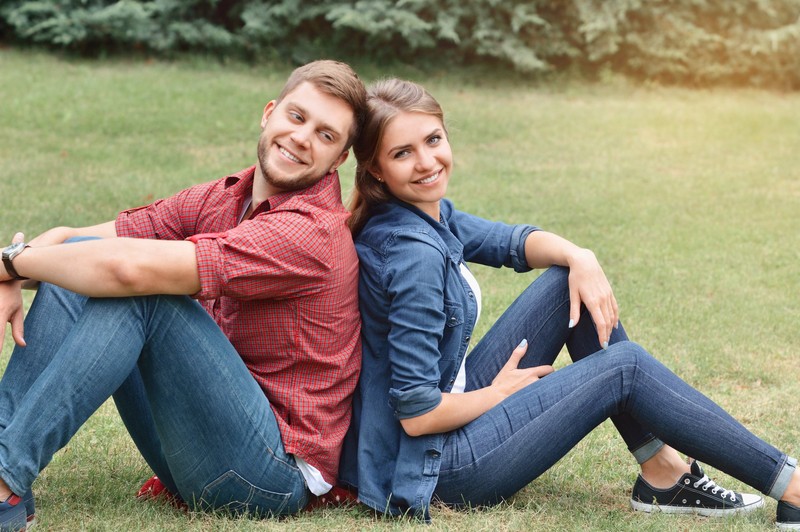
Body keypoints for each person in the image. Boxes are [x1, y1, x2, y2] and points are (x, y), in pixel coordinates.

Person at [338, 78, 800, 528]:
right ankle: (794, 487)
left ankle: (664, 474)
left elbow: (510, 242)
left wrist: (581, 257)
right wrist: (497, 394)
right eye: (403, 153)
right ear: (376, 168)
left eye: (433, 140)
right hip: (434, 467)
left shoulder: (421, 214)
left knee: (566, 281)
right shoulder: (411, 253)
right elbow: (418, 415)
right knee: (626, 367)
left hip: (447, 416)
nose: (426, 161)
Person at [0, 59, 367, 531]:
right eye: (297, 117)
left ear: (338, 160)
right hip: (200, 440)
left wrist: (11, 263)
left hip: (271, 473)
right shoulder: (228, 195)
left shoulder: (311, 233)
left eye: (326, 135)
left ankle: (5, 483)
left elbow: (127, 269)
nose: (302, 138)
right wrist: (9, 270)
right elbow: (76, 244)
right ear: (270, 113)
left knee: (142, 292)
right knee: (80, 265)